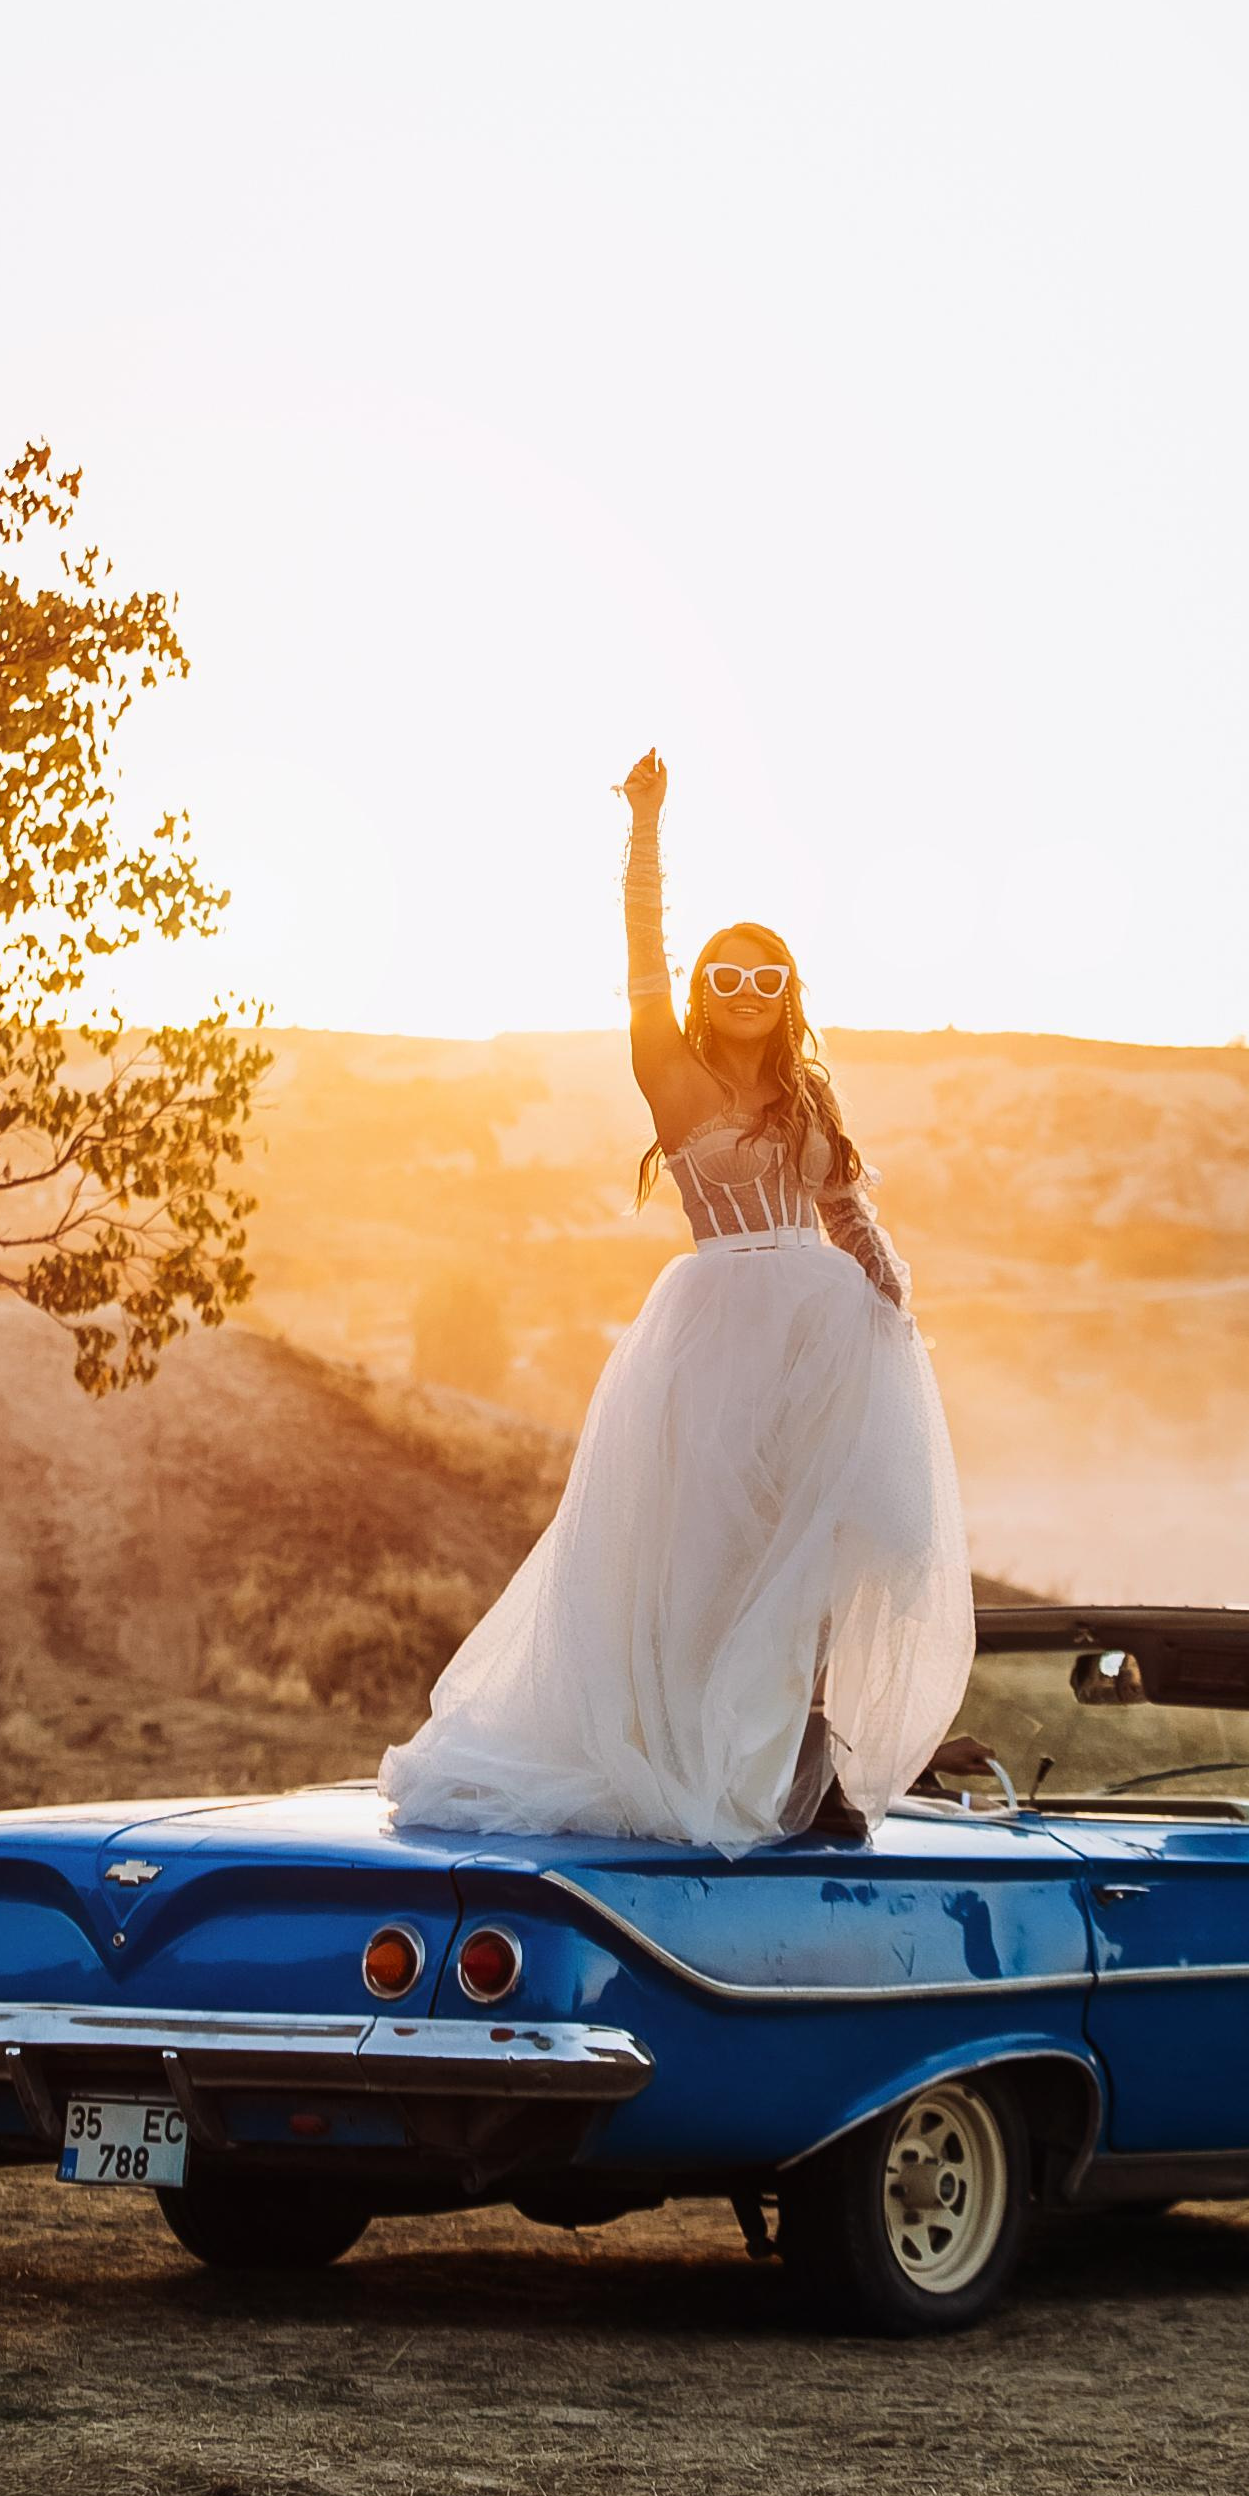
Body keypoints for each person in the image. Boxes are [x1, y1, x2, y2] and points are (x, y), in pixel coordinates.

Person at [378, 748, 973, 1849]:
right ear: (704, 991)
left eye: (767, 978)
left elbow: (839, 1204)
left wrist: (875, 1257)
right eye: (727, 976)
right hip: (721, 1332)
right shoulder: (670, 1066)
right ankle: (692, 1752)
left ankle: (812, 1756)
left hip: (832, 1333)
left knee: (845, 1538)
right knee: (719, 1552)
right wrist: (645, 826)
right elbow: (641, 957)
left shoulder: (807, 1094)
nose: (745, 994)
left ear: (789, 993)